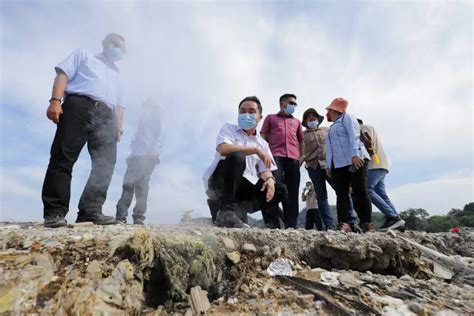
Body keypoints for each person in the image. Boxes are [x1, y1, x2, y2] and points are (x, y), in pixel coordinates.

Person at [41, 33, 126, 228]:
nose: (118, 50)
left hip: (106, 116)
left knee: (105, 163)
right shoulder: (84, 55)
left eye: (122, 48)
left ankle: (90, 211)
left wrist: (118, 128)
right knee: (63, 156)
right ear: (105, 43)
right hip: (79, 106)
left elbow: (121, 105)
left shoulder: (119, 75)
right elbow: (63, 74)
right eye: (115, 45)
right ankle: (54, 212)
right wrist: (55, 101)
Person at [203, 96, 287, 228]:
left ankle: (236, 211)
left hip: (243, 186)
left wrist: (270, 179)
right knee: (237, 156)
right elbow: (223, 149)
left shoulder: (263, 144)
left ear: (260, 117)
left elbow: (265, 170)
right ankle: (226, 210)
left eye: (252, 111)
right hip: (221, 182)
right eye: (242, 111)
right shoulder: (228, 129)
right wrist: (254, 150)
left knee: (280, 190)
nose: (246, 114)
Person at [301, 108, 357, 230]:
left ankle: (351, 221)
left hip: (329, 165)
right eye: (308, 116)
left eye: (314, 116)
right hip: (313, 167)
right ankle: (329, 224)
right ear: (305, 121)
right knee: (321, 197)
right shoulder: (302, 135)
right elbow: (301, 152)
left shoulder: (327, 130)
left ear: (318, 118)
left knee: (342, 191)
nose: (311, 118)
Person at [325, 98, 373, 232]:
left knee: (359, 190)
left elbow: (354, 136)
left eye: (328, 110)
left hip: (355, 159)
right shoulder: (333, 127)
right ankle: (344, 223)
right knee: (341, 193)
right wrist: (329, 165)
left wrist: (355, 154)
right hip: (340, 164)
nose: (327, 113)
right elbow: (330, 148)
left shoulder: (347, 118)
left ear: (334, 110)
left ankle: (366, 223)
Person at [115, 100, 162, 225]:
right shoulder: (143, 121)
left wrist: (154, 151)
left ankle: (137, 216)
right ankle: (122, 216)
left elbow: (159, 136)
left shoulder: (156, 118)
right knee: (129, 185)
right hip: (136, 156)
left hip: (146, 156)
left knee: (141, 186)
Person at [261, 94, 303, 228]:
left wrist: (301, 156)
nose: (293, 106)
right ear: (282, 104)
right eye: (291, 103)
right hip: (275, 156)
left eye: (295, 104)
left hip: (293, 158)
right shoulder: (271, 118)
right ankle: (273, 221)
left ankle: (291, 224)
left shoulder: (297, 122)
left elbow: (301, 140)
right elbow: (263, 136)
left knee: (293, 191)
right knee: (274, 186)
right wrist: (264, 154)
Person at [358, 119, 405, 230]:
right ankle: (398, 222)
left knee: (367, 189)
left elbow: (366, 146)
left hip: (372, 165)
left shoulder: (363, 129)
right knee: (382, 195)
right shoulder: (371, 128)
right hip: (381, 166)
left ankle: (392, 217)